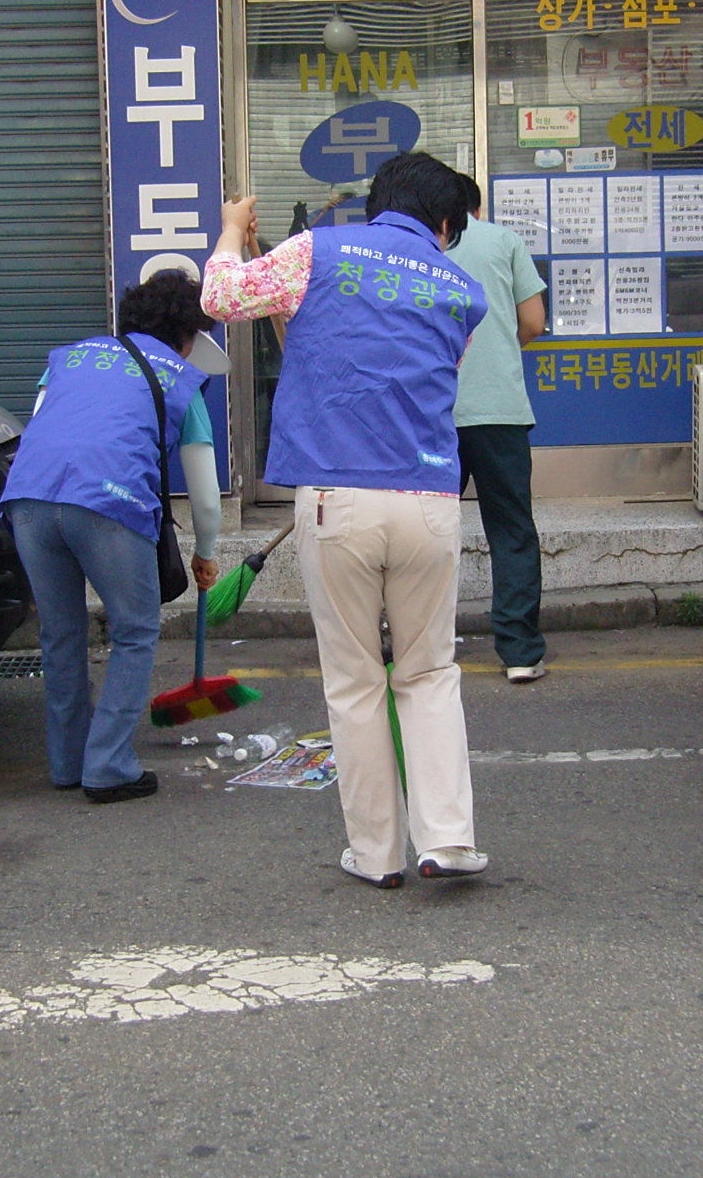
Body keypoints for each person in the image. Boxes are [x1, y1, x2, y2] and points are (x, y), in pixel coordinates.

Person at [203, 151, 492, 890]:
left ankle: (377, 855)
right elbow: (426, 377)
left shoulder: (317, 251)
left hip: (337, 502)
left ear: (377, 203)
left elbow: (223, 296)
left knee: (357, 682)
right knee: (429, 672)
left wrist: (234, 230)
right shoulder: (463, 290)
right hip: (428, 501)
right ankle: (449, 842)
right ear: (446, 222)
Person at [1, 271, 224, 804]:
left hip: (28, 499)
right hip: (107, 504)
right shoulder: (178, 374)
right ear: (187, 336)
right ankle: (108, 767)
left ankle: (68, 763)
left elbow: (42, 428)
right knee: (134, 630)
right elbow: (209, 498)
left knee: (60, 635)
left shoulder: (70, 359)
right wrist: (206, 552)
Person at [450, 173, 550, 683]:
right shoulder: (504, 241)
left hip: (432, 414)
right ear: (477, 206)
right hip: (500, 411)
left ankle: (422, 642)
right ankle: (519, 651)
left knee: (427, 532)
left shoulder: (418, 248)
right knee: (511, 530)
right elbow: (532, 322)